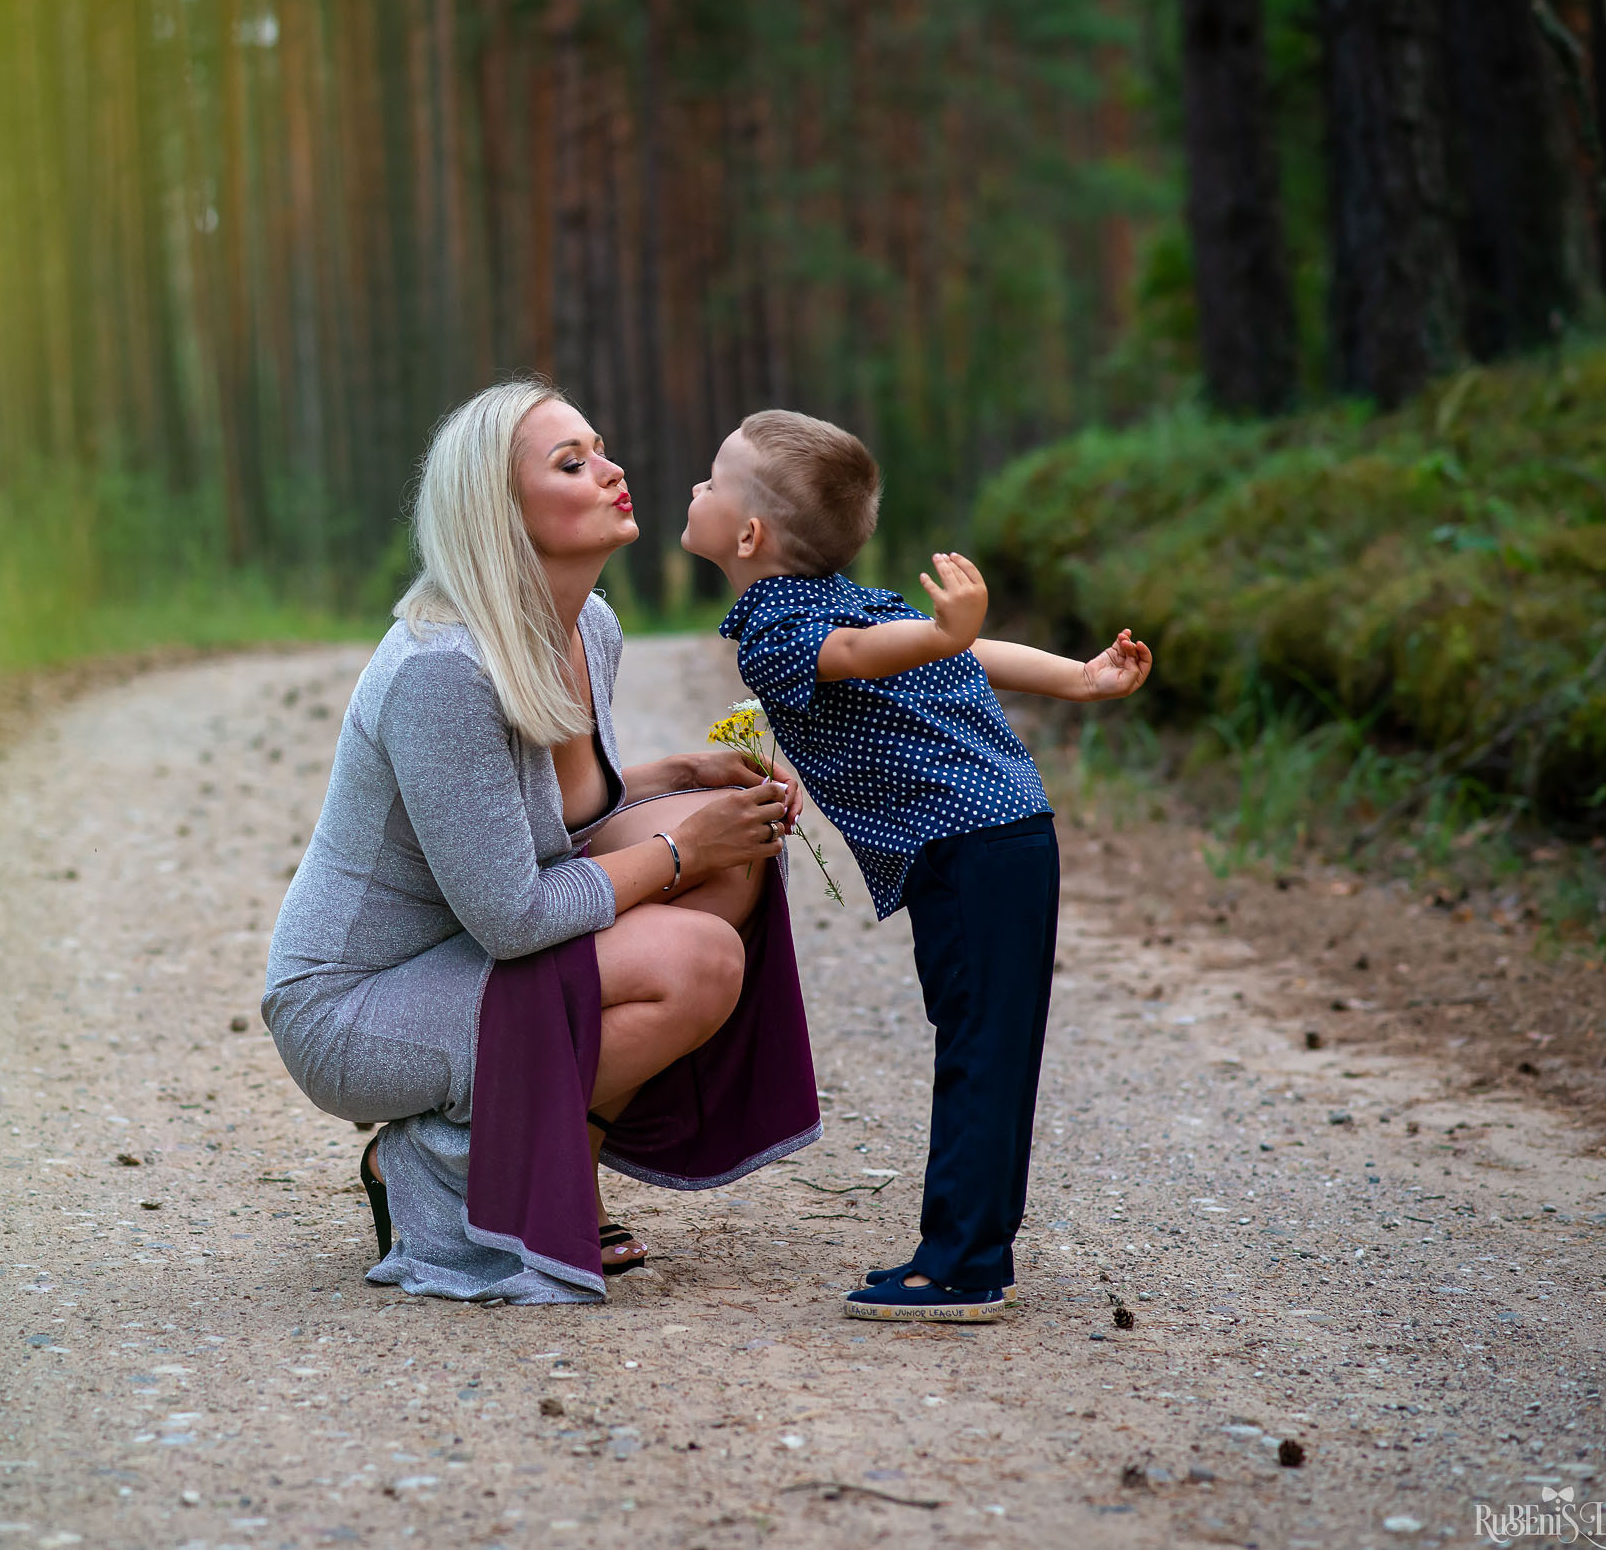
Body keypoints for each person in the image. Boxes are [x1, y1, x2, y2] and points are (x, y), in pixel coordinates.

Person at [262, 376, 818, 1304]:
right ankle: (429, 1161)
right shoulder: (442, 670)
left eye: (601, 450)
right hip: (359, 1005)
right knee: (698, 959)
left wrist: (680, 778)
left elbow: (544, 821)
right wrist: (684, 849)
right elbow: (513, 916)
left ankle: (568, 1171)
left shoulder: (589, 626)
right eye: (572, 463)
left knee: (737, 861)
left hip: (470, 954)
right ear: (499, 510)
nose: (611, 471)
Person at [680, 408, 1153, 1323]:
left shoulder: (782, 629)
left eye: (712, 477)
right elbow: (953, 649)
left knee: (979, 1048)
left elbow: (880, 654)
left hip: (971, 845)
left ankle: (961, 1267)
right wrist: (1072, 675)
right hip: (1001, 834)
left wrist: (972, 646)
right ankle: (973, 1251)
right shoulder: (848, 603)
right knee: (989, 1045)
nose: (695, 487)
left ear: (748, 535)